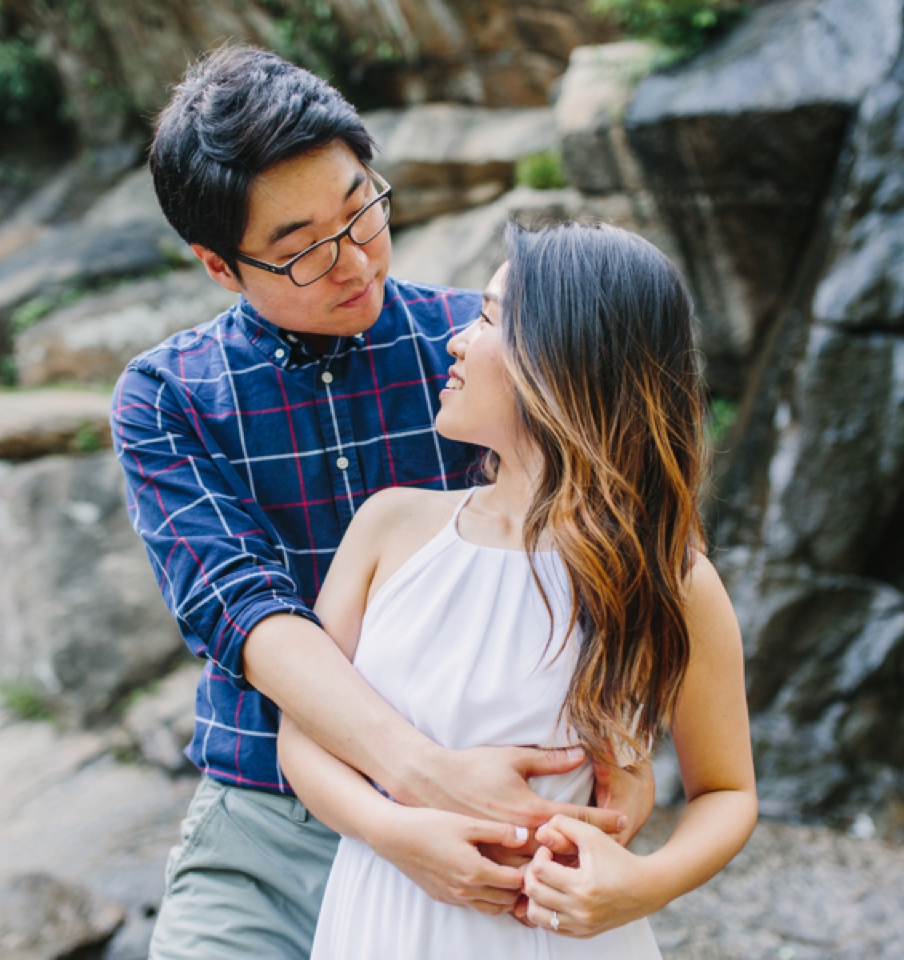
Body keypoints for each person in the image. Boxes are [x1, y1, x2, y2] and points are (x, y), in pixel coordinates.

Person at [111, 46, 654, 960]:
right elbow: (244, 611)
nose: (355, 260)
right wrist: (419, 784)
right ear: (219, 264)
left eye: (362, 208)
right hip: (270, 823)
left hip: (491, 812)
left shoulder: (477, 346)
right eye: (302, 251)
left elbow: (609, 527)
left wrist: (626, 746)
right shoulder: (168, 397)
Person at [278, 221, 758, 958]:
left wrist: (645, 883)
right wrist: (392, 832)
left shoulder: (666, 576)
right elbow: (303, 737)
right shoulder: (388, 529)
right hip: (385, 915)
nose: (457, 340)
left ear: (563, 362)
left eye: (490, 319)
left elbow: (727, 792)